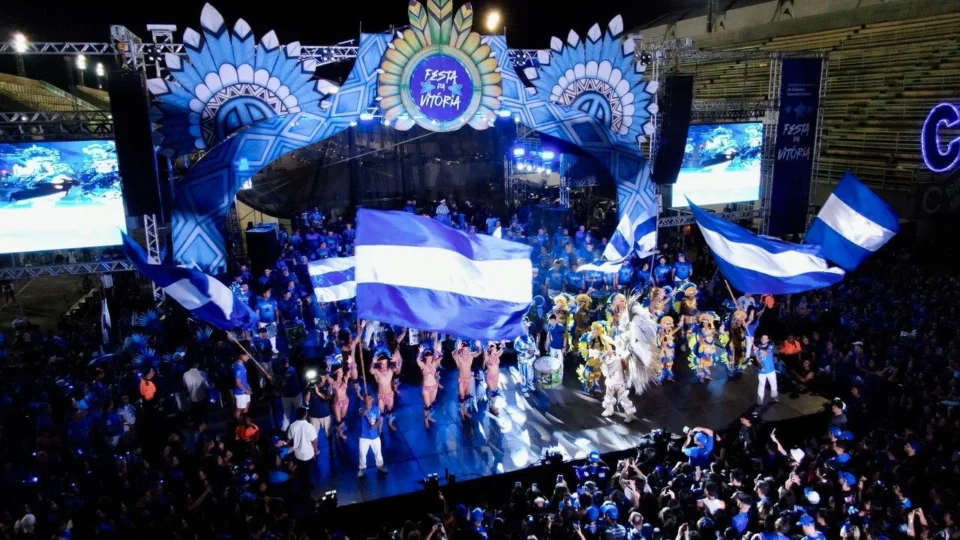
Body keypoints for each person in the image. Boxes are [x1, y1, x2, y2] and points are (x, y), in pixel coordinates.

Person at [287, 407, 318, 496]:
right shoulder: (310, 427)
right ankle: (308, 487)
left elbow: (289, 438)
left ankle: (304, 487)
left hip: (298, 455)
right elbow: (314, 440)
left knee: (301, 472)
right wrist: (316, 450)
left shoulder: (292, 426)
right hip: (309, 455)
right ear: (305, 415)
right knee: (309, 471)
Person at [358, 393, 387, 478]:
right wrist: (366, 408)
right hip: (364, 437)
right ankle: (362, 468)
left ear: (372, 400)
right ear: (364, 400)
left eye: (369, 398)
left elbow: (379, 420)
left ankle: (380, 466)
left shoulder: (376, 409)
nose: (368, 400)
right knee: (362, 453)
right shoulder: (361, 409)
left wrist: (375, 426)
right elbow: (361, 415)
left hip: (375, 436)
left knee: (378, 452)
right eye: (366, 399)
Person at [600, 350, 635, 421]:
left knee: (624, 399)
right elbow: (606, 371)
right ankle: (609, 411)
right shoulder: (612, 359)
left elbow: (609, 367)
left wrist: (604, 358)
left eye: (610, 355)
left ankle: (629, 415)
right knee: (608, 397)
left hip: (619, 383)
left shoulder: (616, 360)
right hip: (611, 383)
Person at [304, 373, 334, 457]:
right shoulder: (311, 386)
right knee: (314, 435)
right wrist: (310, 390)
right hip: (314, 416)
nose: (322, 381)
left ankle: (331, 449)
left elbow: (327, 398)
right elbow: (306, 401)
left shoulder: (327, 386)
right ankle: (315, 450)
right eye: (320, 379)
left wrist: (318, 392)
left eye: (324, 379)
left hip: (326, 415)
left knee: (329, 433)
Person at [370, 349, 398, 431]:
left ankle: (390, 424)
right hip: (381, 396)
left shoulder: (390, 370)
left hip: (389, 395)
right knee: (380, 413)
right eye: (382, 364)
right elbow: (371, 371)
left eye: (386, 363)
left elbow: (396, 369)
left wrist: (393, 362)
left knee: (390, 411)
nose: (384, 365)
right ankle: (380, 427)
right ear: (379, 364)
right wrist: (373, 362)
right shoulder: (377, 371)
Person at [454, 340, 481, 421]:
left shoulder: (471, 356)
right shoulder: (459, 356)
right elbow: (454, 356)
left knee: (467, 396)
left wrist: (479, 346)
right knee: (462, 397)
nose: (465, 351)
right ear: (461, 350)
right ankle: (462, 413)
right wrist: (457, 349)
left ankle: (465, 411)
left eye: (467, 349)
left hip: (469, 379)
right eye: (464, 349)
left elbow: (479, 353)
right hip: (461, 380)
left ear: (469, 349)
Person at [417, 342, 442, 429]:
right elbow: (417, 361)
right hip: (426, 388)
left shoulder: (434, 363)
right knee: (427, 405)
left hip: (434, 387)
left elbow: (441, 357)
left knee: (431, 404)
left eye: (430, 355)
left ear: (432, 356)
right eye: (427, 355)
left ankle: (429, 417)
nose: (429, 357)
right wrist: (420, 352)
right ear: (425, 356)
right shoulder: (423, 365)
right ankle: (426, 420)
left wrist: (439, 351)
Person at [513, 318, 539, 396]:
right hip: (523, 361)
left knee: (531, 373)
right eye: (525, 327)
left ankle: (530, 383)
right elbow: (517, 350)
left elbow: (534, 346)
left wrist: (535, 351)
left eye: (527, 327)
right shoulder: (518, 340)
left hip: (531, 360)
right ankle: (524, 388)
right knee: (523, 374)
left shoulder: (530, 336)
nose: (527, 328)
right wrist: (527, 351)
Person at [278, 357, 303, 430]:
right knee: (286, 412)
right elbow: (280, 382)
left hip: (296, 395)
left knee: (300, 410)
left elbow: (285, 378)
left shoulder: (292, 369)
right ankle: (284, 427)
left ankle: (302, 426)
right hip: (286, 395)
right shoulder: (280, 370)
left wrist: (274, 377)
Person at [755, 334, 778, 405]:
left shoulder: (770, 346)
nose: (763, 339)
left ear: (768, 340)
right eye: (762, 338)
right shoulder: (757, 347)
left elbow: (767, 353)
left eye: (765, 338)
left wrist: (758, 349)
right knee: (761, 384)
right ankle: (760, 398)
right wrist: (760, 364)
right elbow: (757, 357)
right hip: (762, 371)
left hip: (770, 370)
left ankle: (774, 395)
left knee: (773, 383)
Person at [255, 288, 279, 353]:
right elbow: (257, 312)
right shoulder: (259, 302)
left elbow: (276, 310)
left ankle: (273, 348)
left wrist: (277, 319)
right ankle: (264, 349)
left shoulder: (273, 301)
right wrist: (258, 321)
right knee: (263, 336)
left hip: (272, 321)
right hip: (262, 322)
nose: (269, 294)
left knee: (272, 335)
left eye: (270, 292)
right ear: (264, 294)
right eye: (268, 292)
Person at [483, 342, 504, 416]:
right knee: (493, 392)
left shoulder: (497, 355)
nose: (495, 348)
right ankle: (492, 407)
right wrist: (486, 349)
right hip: (490, 377)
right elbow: (485, 358)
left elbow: (502, 349)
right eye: (493, 347)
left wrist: (503, 342)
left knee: (493, 390)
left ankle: (491, 401)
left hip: (496, 376)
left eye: (495, 347)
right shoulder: (487, 357)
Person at [331, 367, 350, 440]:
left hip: (345, 401)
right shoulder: (333, 381)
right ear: (337, 373)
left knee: (343, 418)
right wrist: (328, 368)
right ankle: (340, 433)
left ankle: (338, 430)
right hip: (337, 403)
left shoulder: (345, 379)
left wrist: (350, 363)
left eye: (342, 371)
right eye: (341, 372)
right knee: (338, 421)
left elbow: (349, 371)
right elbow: (328, 377)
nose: (342, 373)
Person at [233, 354, 253, 420]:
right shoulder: (238, 367)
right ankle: (238, 424)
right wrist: (246, 390)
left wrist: (248, 387)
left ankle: (245, 422)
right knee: (239, 409)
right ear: (241, 355)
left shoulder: (242, 365)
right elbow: (238, 383)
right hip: (241, 392)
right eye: (247, 356)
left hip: (246, 390)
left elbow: (244, 379)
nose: (248, 357)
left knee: (247, 405)